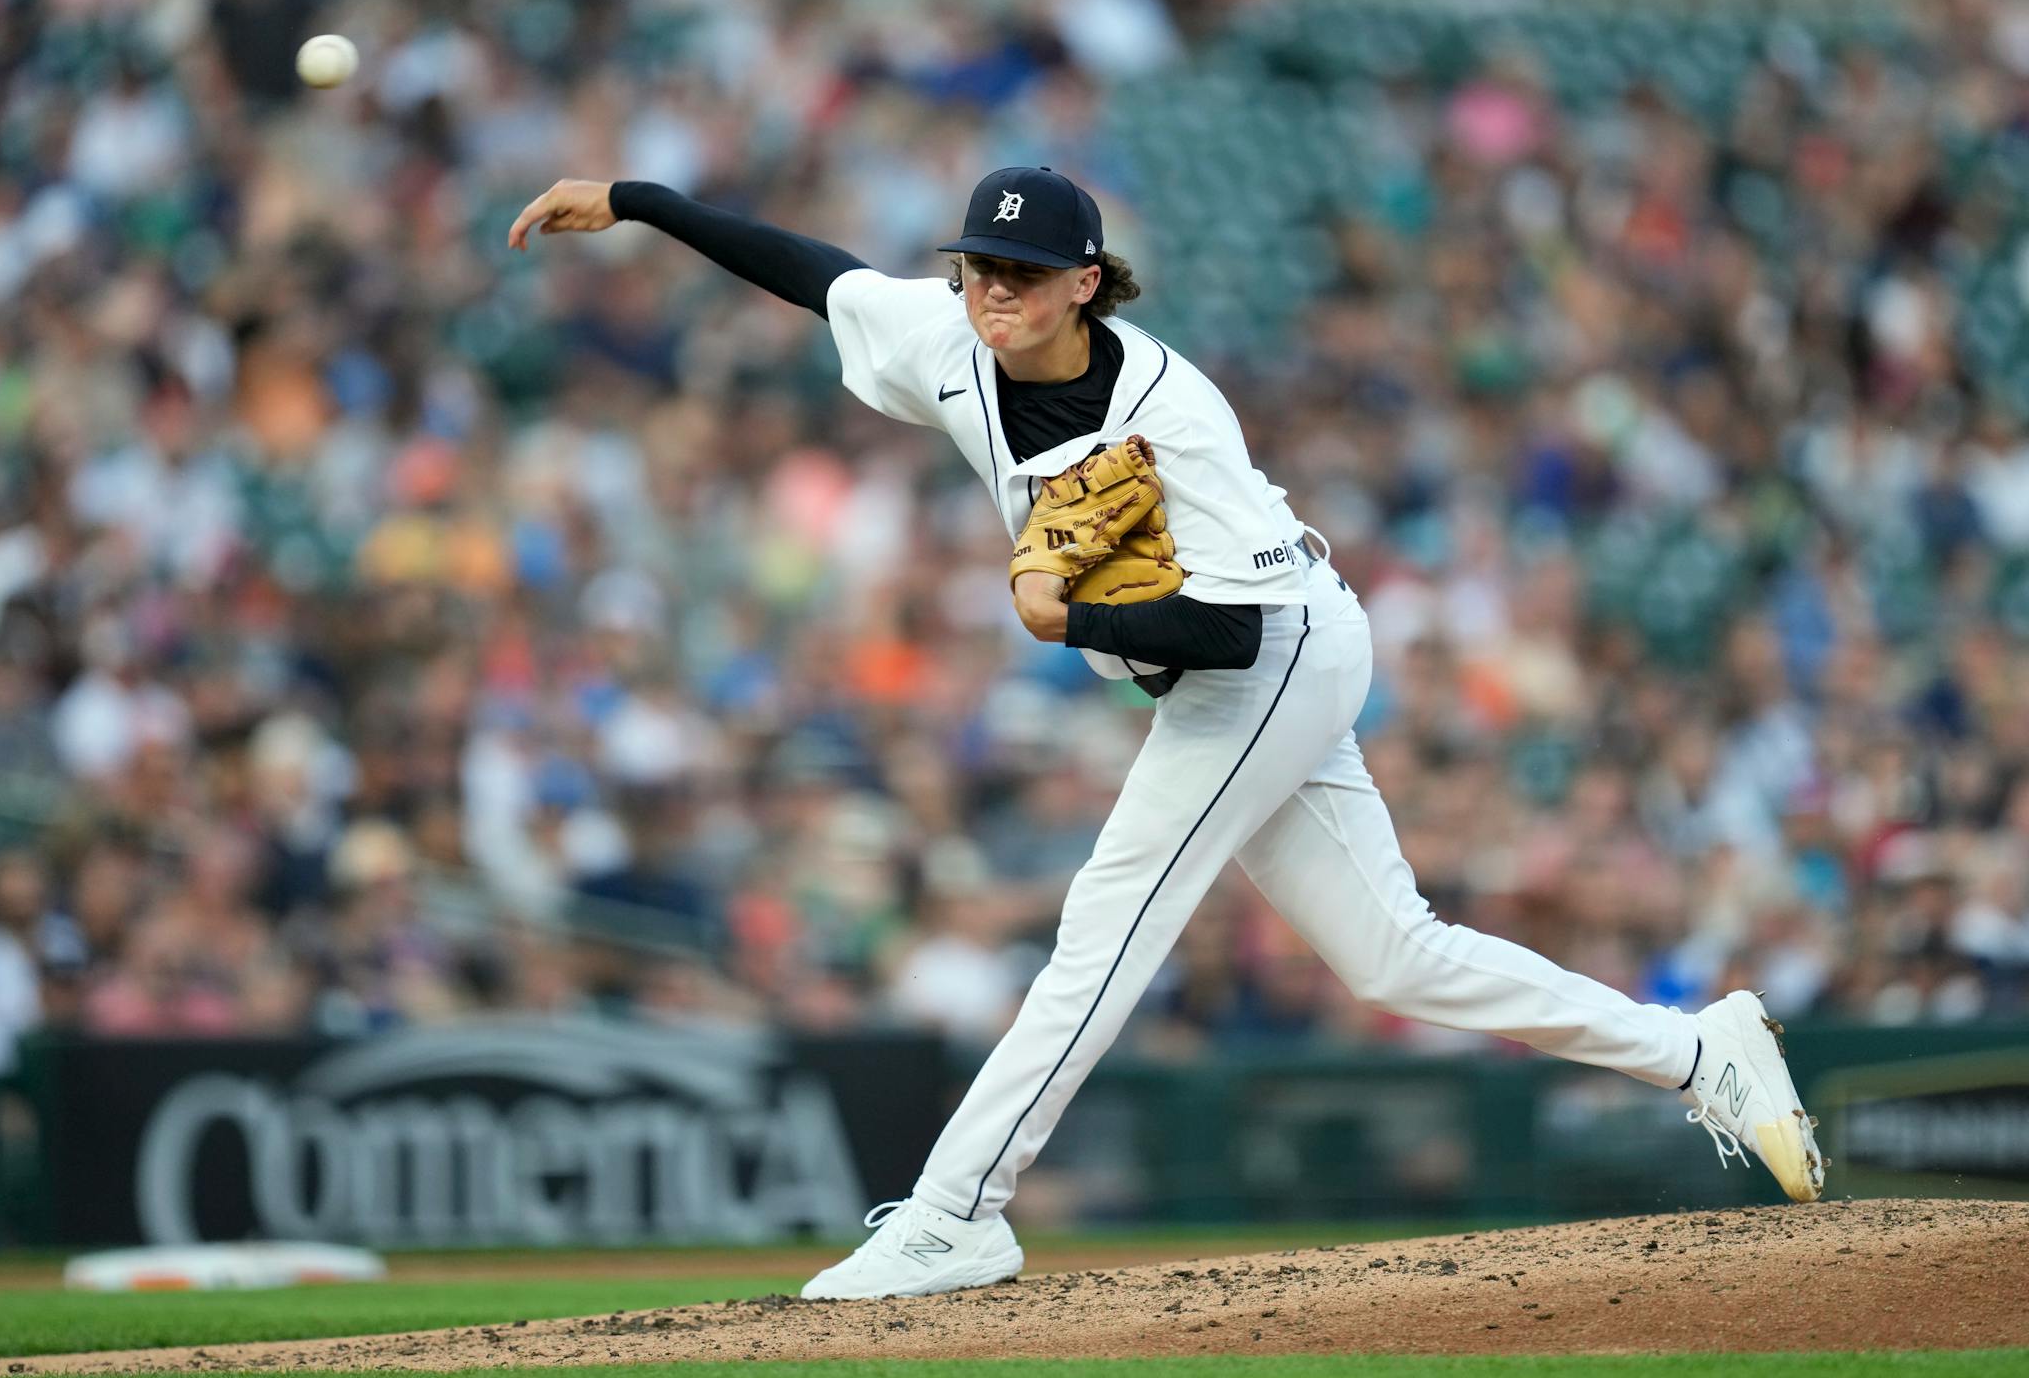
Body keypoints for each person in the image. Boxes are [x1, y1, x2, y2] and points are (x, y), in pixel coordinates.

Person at [507, 166, 1826, 1300]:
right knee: (1394, 959)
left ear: (1086, 281)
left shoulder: (1171, 415)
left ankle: (954, 1214)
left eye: (1022, 272)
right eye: (978, 267)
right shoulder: (946, 337)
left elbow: (1241, 641)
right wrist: (636, 203)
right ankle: (1702, 1051)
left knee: (1108, 918)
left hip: (1280, 646)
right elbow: (814, 273)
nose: (992, 292)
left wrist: (1062, 613)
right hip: (1223, 665)